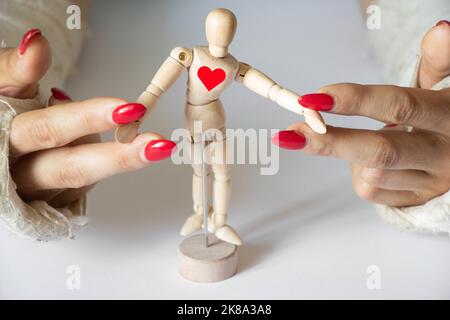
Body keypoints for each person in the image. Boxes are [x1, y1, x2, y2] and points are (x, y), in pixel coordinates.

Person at [0, 0, 448, 240]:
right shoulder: (186, 54)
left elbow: (270, 89)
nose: (221, 40)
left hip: (218, 123)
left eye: (225, 35)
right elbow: (155, 89)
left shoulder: (233, 65)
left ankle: (221, 221)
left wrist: (302, 106)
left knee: (222, 171)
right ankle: (199, 216)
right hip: (193, 122)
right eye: (217, 32)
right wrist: (134, 116)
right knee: (199, 171)